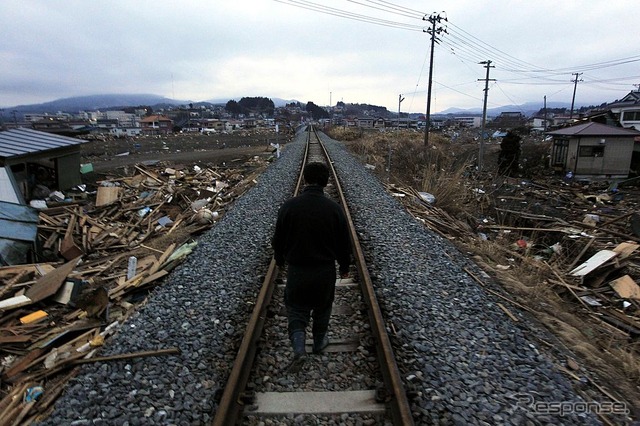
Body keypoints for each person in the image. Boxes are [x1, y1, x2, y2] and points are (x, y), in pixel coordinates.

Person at [272, 162, 351, 373]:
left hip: (298, 270)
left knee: (297, 309)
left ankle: (299, 347)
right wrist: (345, 266)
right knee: (323, 306)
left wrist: (280, 260)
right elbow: (344, 243)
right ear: (326, 182)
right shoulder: (334, 209)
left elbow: (277, 240)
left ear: (305, 180)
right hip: (324, 270)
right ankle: (318, 342)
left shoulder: (289, 207)